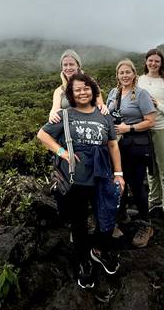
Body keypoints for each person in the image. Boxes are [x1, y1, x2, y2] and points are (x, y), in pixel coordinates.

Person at [37, 72, 125, 289]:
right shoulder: (65, 115)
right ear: (71, 93)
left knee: (105, 215)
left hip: (102, 175)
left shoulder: (103, 114)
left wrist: (119, 174)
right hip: (76, 179)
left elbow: (113, 145)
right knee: (79, 223)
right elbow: (42, 135)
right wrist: (63, 153)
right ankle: (83, 261)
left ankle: (99, 250)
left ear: (93, 90)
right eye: (78, 89)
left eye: (86, 88)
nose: (83, 92)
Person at [106, 59, 156, 247]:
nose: (125, 75)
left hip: (136, 145)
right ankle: (122, 216)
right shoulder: (113, 93)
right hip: (118, 146)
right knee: (120, 182)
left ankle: (146, 224)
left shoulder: (141, 94)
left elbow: (150, 120)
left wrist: (130, 128)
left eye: (128, 72)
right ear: (117, 75)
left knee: (137, 185)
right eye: (121, 73)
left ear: (134, 74)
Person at [138, 48, 164, 229]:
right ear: (146, 61)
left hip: (163, 129)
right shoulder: (139, 80)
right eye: (150, 60)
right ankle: (153, 201)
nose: (153, 64)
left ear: (161, 63)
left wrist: (157, 104)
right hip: (144, 131)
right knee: (151, 170)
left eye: (157, 61)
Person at [49, 49, 107, 122]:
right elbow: (54, 111)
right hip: (68, 128)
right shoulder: (59, 91)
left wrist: (103, 107)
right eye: (65, 65)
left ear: (78, 66)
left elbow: (100, 106)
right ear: (62, 67)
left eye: (71, 64)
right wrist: (52, 114)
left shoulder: (91, 83)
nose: (68, 68)